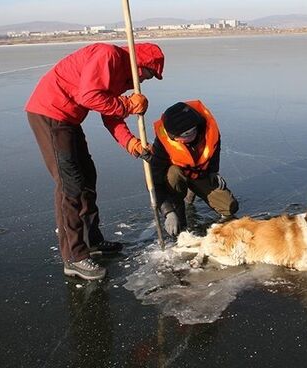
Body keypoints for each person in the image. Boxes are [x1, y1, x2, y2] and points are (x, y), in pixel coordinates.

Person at [25, 42, 164, 281]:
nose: (144, 81)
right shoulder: (107, 55)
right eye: (147, 74)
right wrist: (128, 105)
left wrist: (131, 143)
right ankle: (74, 257)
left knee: (88, 176)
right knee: (70, 185)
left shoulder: (121, 74)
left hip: (69, 119)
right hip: (50, 113)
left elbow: (111, 115)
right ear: (137, 64)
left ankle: (92, 240)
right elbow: (89, 96)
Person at [148, 100, 238, 236]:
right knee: (173, 173)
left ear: (191, 132)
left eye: (180, 138)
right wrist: (168, 211)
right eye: (175, 139)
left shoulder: (209, 130)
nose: (177, 141)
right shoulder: (162, 143)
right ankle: (178, 208)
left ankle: (192, 190)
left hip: (199, 174)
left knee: (230, 207)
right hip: (176, 179)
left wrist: (213, 171)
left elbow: (214, 151)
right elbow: (156, 182)